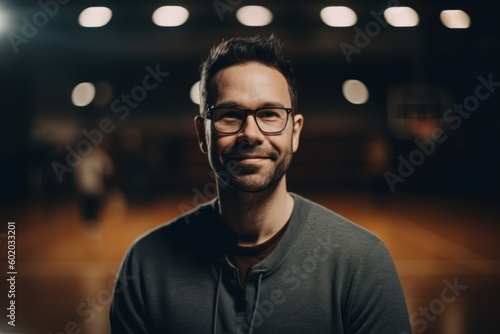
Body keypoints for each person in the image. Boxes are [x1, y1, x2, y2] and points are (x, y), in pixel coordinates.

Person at [109, 35, 411, 334]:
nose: (250, 134)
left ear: (295, 132)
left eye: (269, 114)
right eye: (230, 115)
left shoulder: (362, 262)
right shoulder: (145, 266)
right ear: (203, 134)